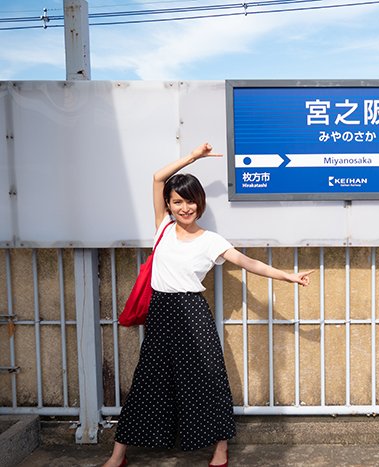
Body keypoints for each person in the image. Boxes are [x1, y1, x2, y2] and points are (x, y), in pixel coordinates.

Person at [103, 143, 313, 467]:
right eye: (177, 202)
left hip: (192, 312)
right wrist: (194, 157)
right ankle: (118, 456)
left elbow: (248, 263)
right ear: (169, 206)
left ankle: (220, 449)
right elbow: (158, 178)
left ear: (199, 203)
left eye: (190, 201)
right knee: (147, 381)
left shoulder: (211, 240)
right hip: (161, 312)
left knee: (208, 380)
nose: (184, 207)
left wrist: (287, 276)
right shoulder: (162, 228)